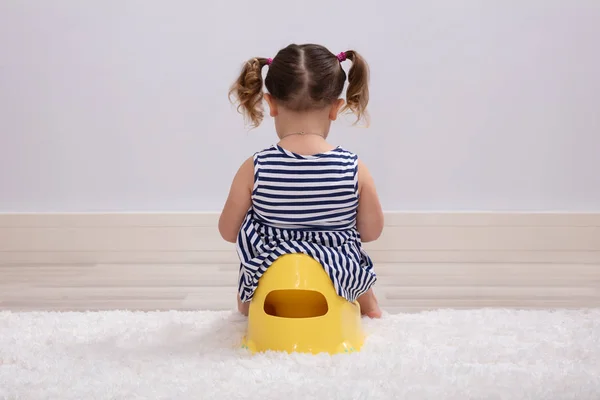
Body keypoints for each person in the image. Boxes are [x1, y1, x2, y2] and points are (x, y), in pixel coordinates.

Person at [219, 43, 384, 318]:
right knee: (359, 275)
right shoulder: (353, 167)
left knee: (247, 293)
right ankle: (372, 314)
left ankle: (254, 315)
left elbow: (227, 231)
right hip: (339, 278)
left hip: (272, 277)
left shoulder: (255, 167)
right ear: (336, 108)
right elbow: (371, 232)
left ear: (270, 103)